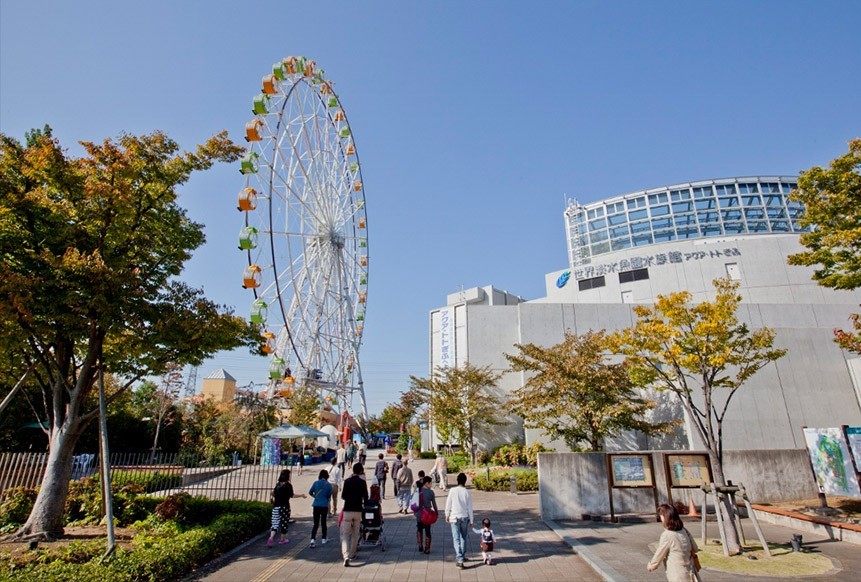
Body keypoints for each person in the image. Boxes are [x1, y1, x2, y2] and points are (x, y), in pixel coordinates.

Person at [647, 504, 700, 582]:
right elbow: (695, 548)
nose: (660, 518)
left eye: (661, 515)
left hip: (677, 573)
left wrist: (651, 565)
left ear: (665, 517)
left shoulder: (667, 535)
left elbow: (660, 553)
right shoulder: (684, 530)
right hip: (691, 571)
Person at [267, 469, 307, 547]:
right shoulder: (288, 485)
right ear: (287, 476)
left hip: (276, 507)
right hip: (285, 507)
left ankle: (271, 537)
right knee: (284, 523)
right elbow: (292, 495)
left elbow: (273, 493)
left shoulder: (278, 485)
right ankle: (283, 540)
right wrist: (301, 495)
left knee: (275, 524)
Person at [340, 462, 369, 567]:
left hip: (348, 510)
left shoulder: (347, 482)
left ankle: (346, 556)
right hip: (358, 510)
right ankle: (352, 554)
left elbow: (343, 496)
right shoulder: (362, 482)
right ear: (361, 471)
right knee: (356, 533)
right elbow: (366, 497)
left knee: (345, 534)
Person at [445, 472, 474, 568]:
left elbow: (448, 503)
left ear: (457, 481)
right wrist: (472, 520)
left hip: (454, 517)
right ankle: (462, 555)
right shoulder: (467, 492)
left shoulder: (452, 490)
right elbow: (470, 507)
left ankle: (460, 559)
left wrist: (447, 514)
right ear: (465, 481)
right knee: (464, 537)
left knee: (456, 538)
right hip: (464, 517)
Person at [309, 469, 333, 547]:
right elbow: (329, 496)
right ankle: (323, 538)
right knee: (323, 522)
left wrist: (315, 496)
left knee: (316, 523)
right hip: (324, 505)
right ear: (327, 476)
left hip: (316, 505)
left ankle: (312, 539)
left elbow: (310, 492)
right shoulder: (329, 485)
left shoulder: (316, 483)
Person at [415, 475, 438, 554]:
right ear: (427, 483)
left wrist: (415, 511)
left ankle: (420, 545)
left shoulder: (418, 491)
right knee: (428, 531)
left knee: (419, 529)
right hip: (427, 514)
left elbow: (414, 503)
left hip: (419, 513)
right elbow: (434, 504)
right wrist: (436, 512)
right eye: (430, 483)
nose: (431, 485)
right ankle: (427, 548)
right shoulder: (431, 492)